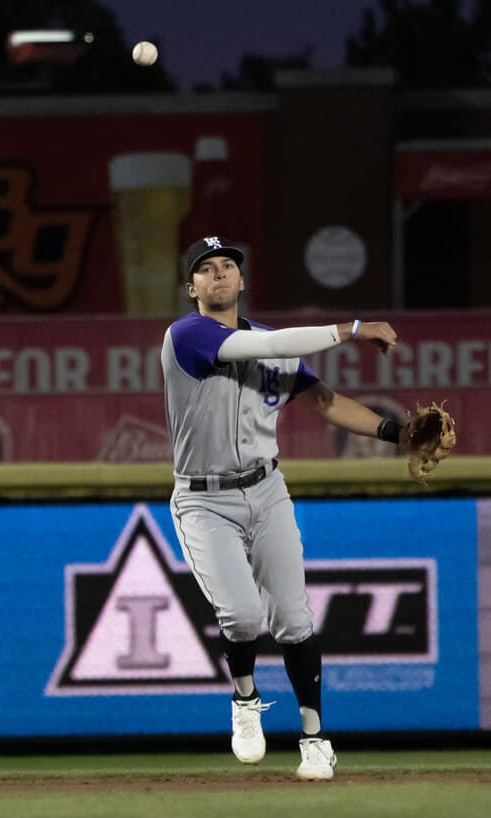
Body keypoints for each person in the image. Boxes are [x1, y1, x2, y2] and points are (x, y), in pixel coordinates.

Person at [161, 235, 408, 781]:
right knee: (245, 616)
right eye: (208, 269)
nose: (220, 274)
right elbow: (264, 350)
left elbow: (324, 400)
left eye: (229, 266)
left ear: (242, 282)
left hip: (268, 491)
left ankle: (315, 739)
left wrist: (399, 432)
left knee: (295, 621)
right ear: (191, 287)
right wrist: (353, 329)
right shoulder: (187, 335)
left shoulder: (278, 341)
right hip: (205, 498)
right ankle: (245, 700)